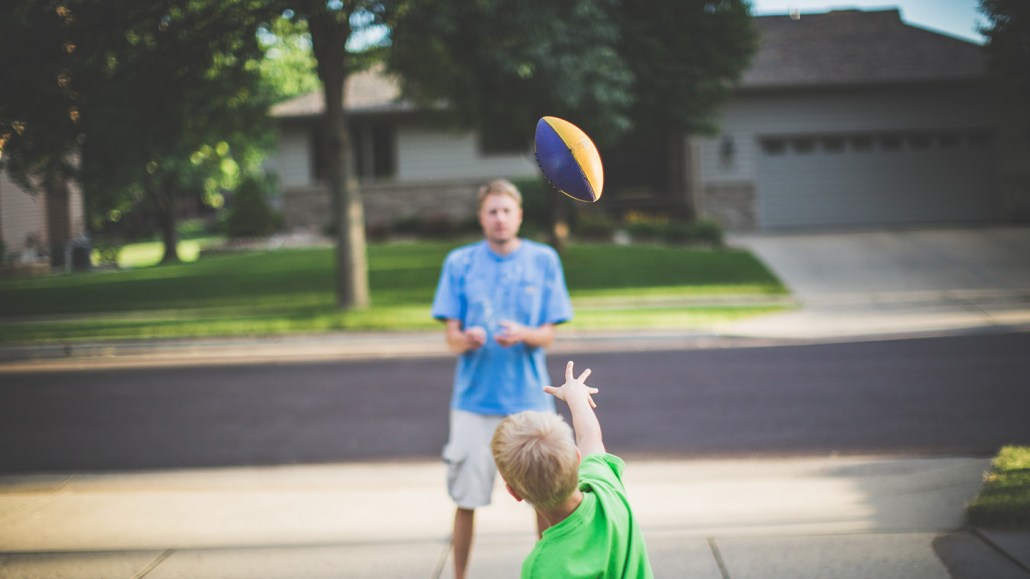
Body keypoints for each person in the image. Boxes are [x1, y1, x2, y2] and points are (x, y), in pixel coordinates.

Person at [431, 179, 574, 579]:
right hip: (474, 403)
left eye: (506, 211)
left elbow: (548, 334)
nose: (499, 219)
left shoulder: (543, 260)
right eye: (492, 211)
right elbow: (451, 339)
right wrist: (467, 338)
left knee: (548, 499)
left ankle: (548, 573)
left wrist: (524, 333)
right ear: (481, 217)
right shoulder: (459, 263)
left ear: (520, 215)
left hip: (529, 401)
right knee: (466, 498)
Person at [492, 361, 653, 578]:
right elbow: (589, 436)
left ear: (514, 491)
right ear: (577, 458)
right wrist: (575, 395)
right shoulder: (605, 486)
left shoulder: (540, 566)